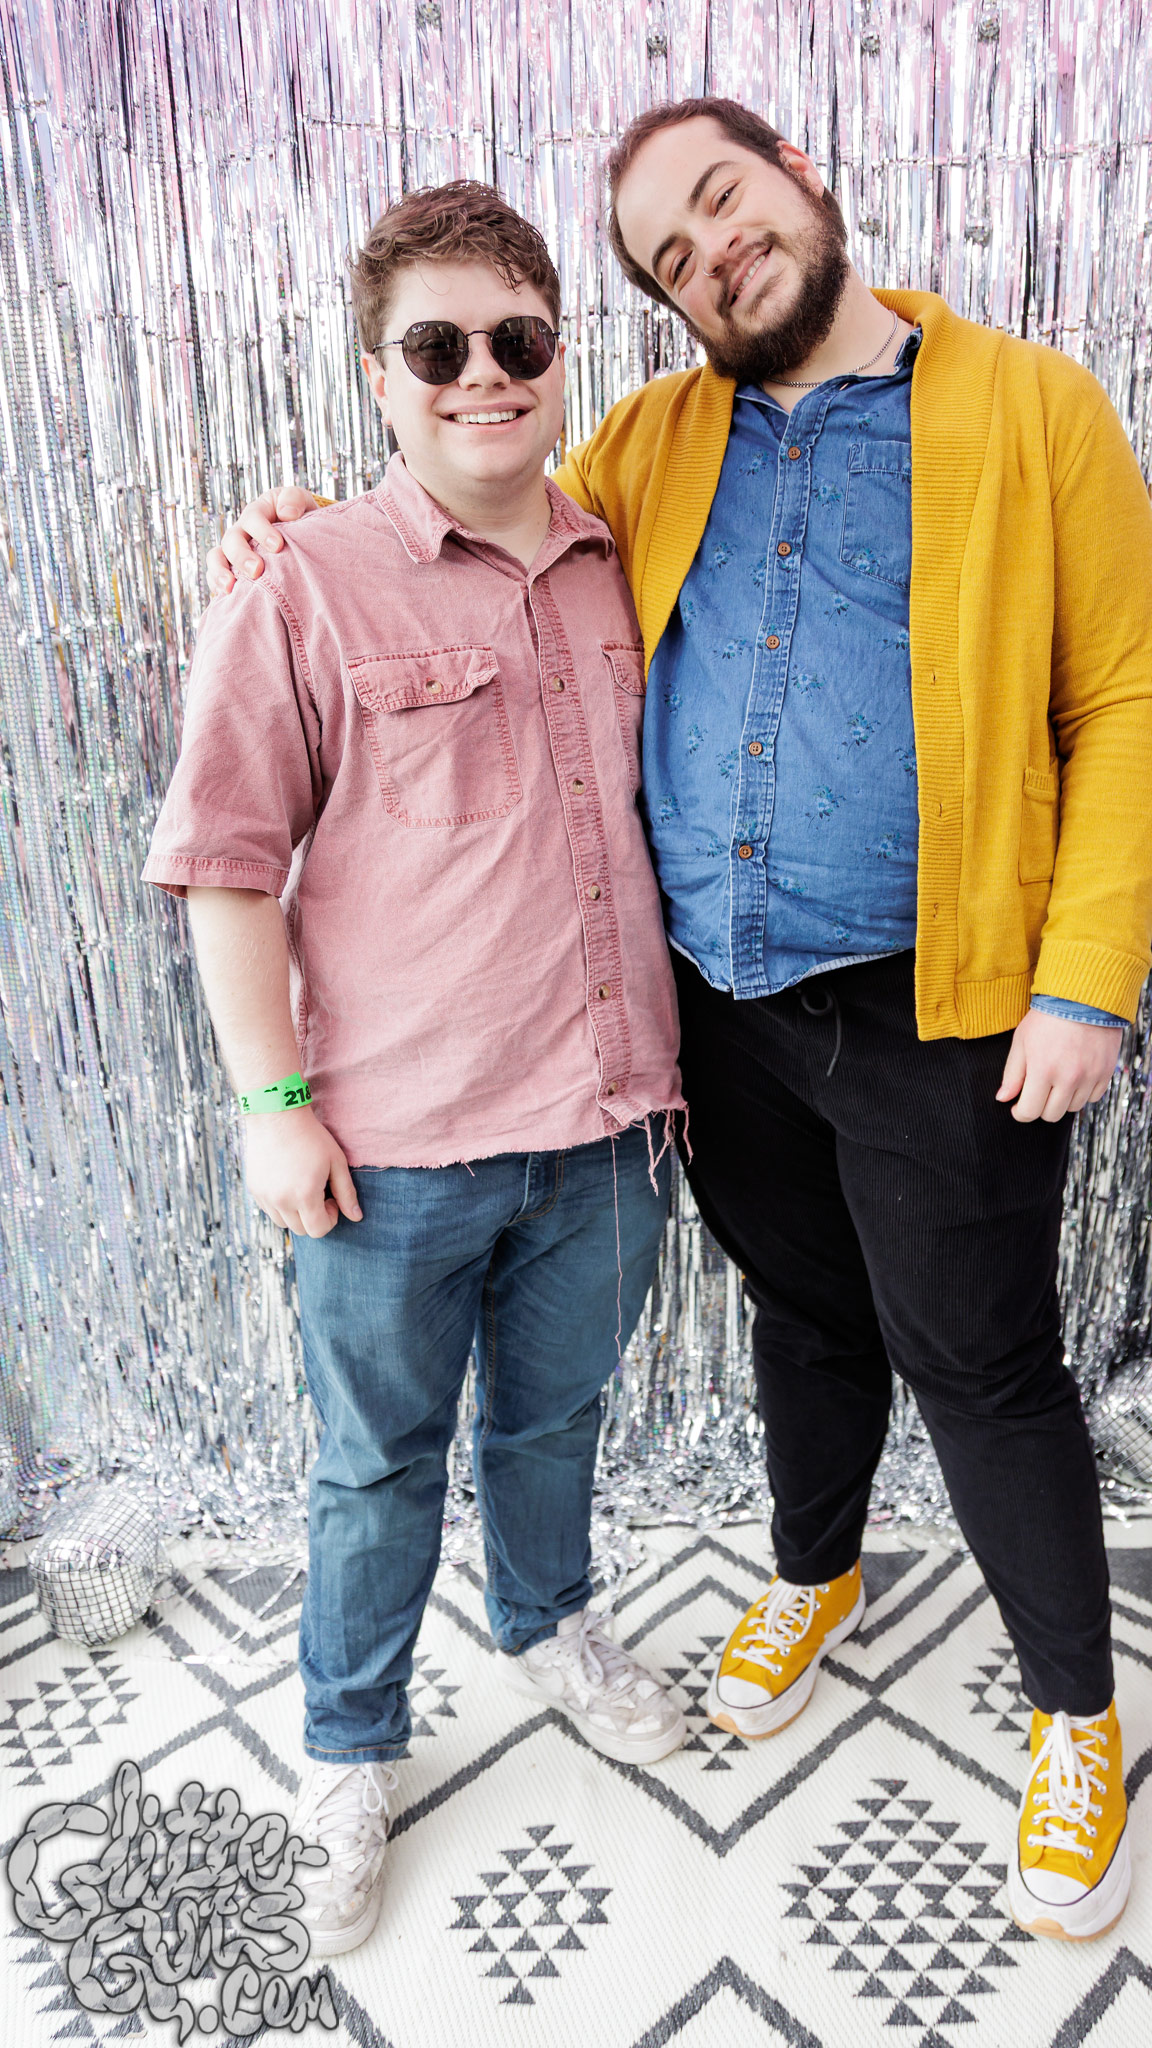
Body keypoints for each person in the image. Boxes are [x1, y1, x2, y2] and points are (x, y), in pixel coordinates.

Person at [208, 98, 1152, 1944]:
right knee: (803, 1319)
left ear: (801, 176)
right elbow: (464, 503)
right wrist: (285, 528)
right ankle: (816, 1570)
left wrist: (1084, 978)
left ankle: (1074, 1718)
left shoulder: (1033, 406)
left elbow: (1125, 702)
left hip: (942, 1006)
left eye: (721, 202)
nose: (711, 252)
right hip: (717, 1014)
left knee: (978, 1361)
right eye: (668, 255)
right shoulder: (654, 440)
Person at [145, 182, 689, 1959]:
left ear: (559, 354)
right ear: (379, 377)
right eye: (436, 348)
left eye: (516, 340)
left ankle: (546, 1623)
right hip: (396, 1149)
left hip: (610, 1124)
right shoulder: (302, 582)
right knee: (376, 1465)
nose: (482, 376)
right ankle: (347, 1746)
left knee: (555, 1421)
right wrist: (271, 1108)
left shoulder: (624, 558)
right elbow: (227, 864)